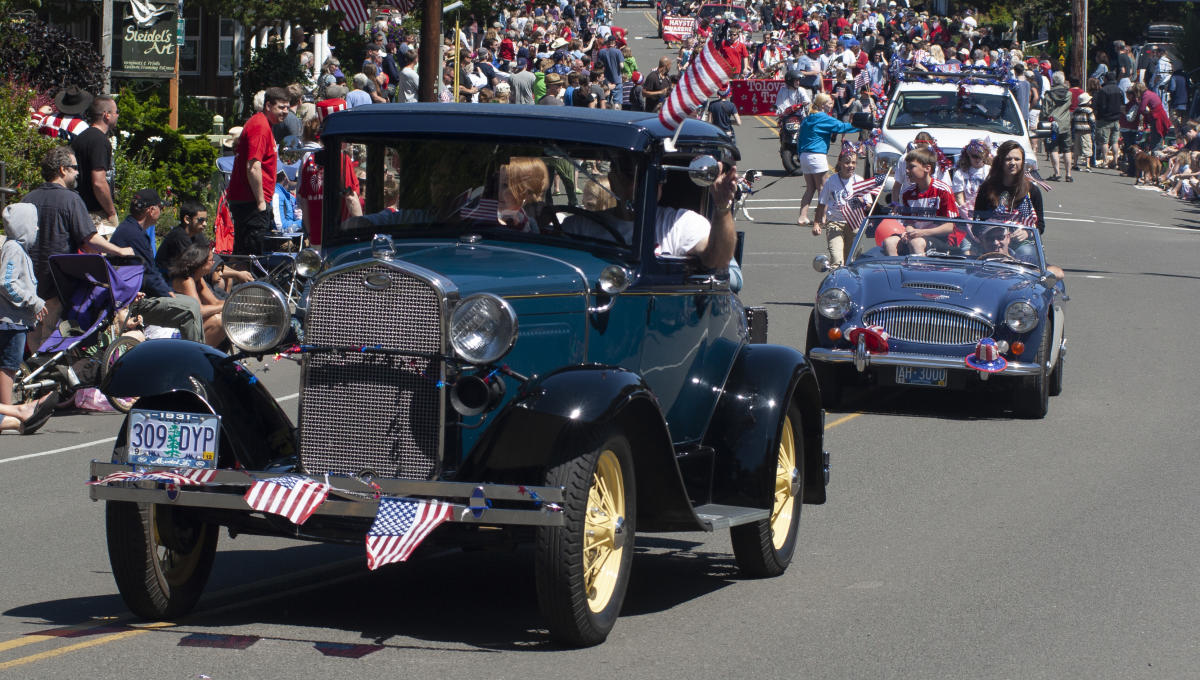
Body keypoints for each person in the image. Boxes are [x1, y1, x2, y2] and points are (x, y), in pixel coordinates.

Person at [24, 146, 135, 349]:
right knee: (50, 328)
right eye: (74, 168)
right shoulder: (71, 199)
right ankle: (47, 374)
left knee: (33, 328)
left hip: (29, 277)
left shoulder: (28, 198)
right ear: (62, 169)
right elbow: (89, 239)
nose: (78, 172)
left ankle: (31, 370)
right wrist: (119, 250)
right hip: (56, 277)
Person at [109, 189, 204, 343]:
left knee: (191, 303)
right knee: (190, 309)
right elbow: (149, 274)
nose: (161, 211)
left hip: (132, 294)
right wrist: (166, 293)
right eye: (160, 207)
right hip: (133, 301)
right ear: (151, 210)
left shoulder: (129, 229)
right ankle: (195, 358)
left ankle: (193, 354)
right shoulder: (134, 234)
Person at [0, 204, 54, 435]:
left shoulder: (16, 249)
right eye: (33, 224)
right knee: (8, 366)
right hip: (12, 320)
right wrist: (32, 302)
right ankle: (10, 411)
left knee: (8, 366)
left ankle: (10, 414)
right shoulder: (13, 249)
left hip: (17, 319)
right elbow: (6, 282)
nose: (37, 228)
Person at [228, 87, 288, 256]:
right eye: (281, 107)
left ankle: (237, 281)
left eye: (287, 107)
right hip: (251, 202)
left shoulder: (263, 124)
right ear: (268, 106)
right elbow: (253, 166)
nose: (286, 111)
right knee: (250, 256)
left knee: (243, 253)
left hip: (251, 200)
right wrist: (261, 202)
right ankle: (248, 283)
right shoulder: (260, 126)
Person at [796, 93, 859, 225]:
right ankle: (822, 218)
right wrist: (862, 125)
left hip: (804, 155)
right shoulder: (823, 118)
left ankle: (802, 216)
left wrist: (800, 154)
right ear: (822, 104)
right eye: (830, 103)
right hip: (817, 155)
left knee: (810, 188)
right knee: (823, 189)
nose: (832, 105)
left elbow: (800, 138)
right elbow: (842, 127)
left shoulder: (808, 118)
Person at [70, 95, 119, 232]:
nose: (117, 116)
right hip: (95, 214)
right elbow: (99, 182)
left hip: (80, 208)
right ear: (107, 115)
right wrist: (111, 212)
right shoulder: (99, 141)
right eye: (116, 112)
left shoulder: (82, 137)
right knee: (103, 251)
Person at [168, 245, 227, 348]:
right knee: (219, 321)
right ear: (201, 263)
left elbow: (215, 302)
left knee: (225, 317)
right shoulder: (186, 280)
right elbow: (199, 310)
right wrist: (226, 305)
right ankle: (199, 357)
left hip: (186, 324)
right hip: (170, 330)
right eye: (211, 260)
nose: (213, 263)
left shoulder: (198, 278)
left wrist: (236, 303)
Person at [812, 151, 863, 266]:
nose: (851, 165)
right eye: (847, 162)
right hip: (835, 224)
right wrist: (816, 223)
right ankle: (836, 283)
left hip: (854, 224)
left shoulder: (859, 181)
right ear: (840, 163)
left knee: (852, 261)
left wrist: (862, 202)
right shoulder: (831, 181)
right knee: (837, 260)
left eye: (853, 162)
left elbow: (869, 204)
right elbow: (821, 203)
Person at [496, 157, 549, 231]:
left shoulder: (523, 218)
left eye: (506, 185)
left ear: (527, 193)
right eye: (497, 183)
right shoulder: (485, 208)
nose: (499, 191)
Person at [1040, 71, 1074, 182]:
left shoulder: (1049, 94)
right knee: (1067, 149)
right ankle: (1068, 174)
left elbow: (1045, 111)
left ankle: (1057, 173)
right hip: (1065, 124)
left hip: (1053, 124)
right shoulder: (1069, 94)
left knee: (1053, 148)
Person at [953, 138, 992, 218]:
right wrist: (967, 215)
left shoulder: (991, 171)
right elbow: (959, 198)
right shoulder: (960, 173)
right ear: (968, 155)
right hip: (966, 212)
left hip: (986, 212)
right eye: (974, 156)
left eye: (980, 156)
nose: (977, 159)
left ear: (985, 155)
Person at [1094, 71, 1124, 169]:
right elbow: (1122, 104)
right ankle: (1115, 161)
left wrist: (1098, 115)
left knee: (1104, 141)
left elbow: (1101, 106)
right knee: (1115, 141)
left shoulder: (1103, 91)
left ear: (1106, 79)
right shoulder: (1119, 90)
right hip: (1116, 119)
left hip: (1105, 119)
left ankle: (1105, 161)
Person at [1071, 93, 1096, 172]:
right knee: (1087, 147)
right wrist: (1093, 128)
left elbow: (1072, 120)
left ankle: (1075, 164)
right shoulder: (1089, 110)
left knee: (1076, 147)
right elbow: (1092, 120)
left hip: (1077, 130)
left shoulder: (1076, 110)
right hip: (1086, 131)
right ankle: (1088, 165)